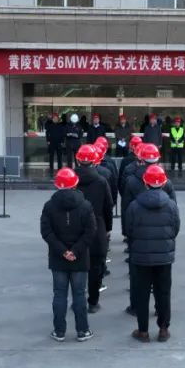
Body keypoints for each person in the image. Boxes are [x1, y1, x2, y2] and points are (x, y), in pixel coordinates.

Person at [40, 168, 97, 343]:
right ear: (75, 184)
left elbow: (46, 232)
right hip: (80, 258)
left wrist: (63, 251)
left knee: (59, 295)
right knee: (79, 295)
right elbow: (90, 231)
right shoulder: (85, 205)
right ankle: (83, 331)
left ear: (57, 185)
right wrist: (76, 250)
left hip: (58, 258)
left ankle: (59, 331)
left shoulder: (49, 206)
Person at [127, 164, 180, 343]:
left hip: (141, 257)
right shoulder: (171, 205)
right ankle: (163, 329)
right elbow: (175, 228)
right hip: (164, 256)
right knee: (163, 292)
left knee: (142, 294)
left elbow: (129, 230)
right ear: (164, 183)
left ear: (145, 182)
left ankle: (143, 331)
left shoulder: (135, 206)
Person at [74, 144, 114, 313]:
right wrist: (108, 228)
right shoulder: (101, 181)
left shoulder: (71, 180)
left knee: (76, 267)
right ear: (94, 161)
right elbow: (108, 206)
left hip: (75, 227)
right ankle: (93, 302)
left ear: (78, 160)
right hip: (97, 226)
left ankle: (77, 300)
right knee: (96, 267)